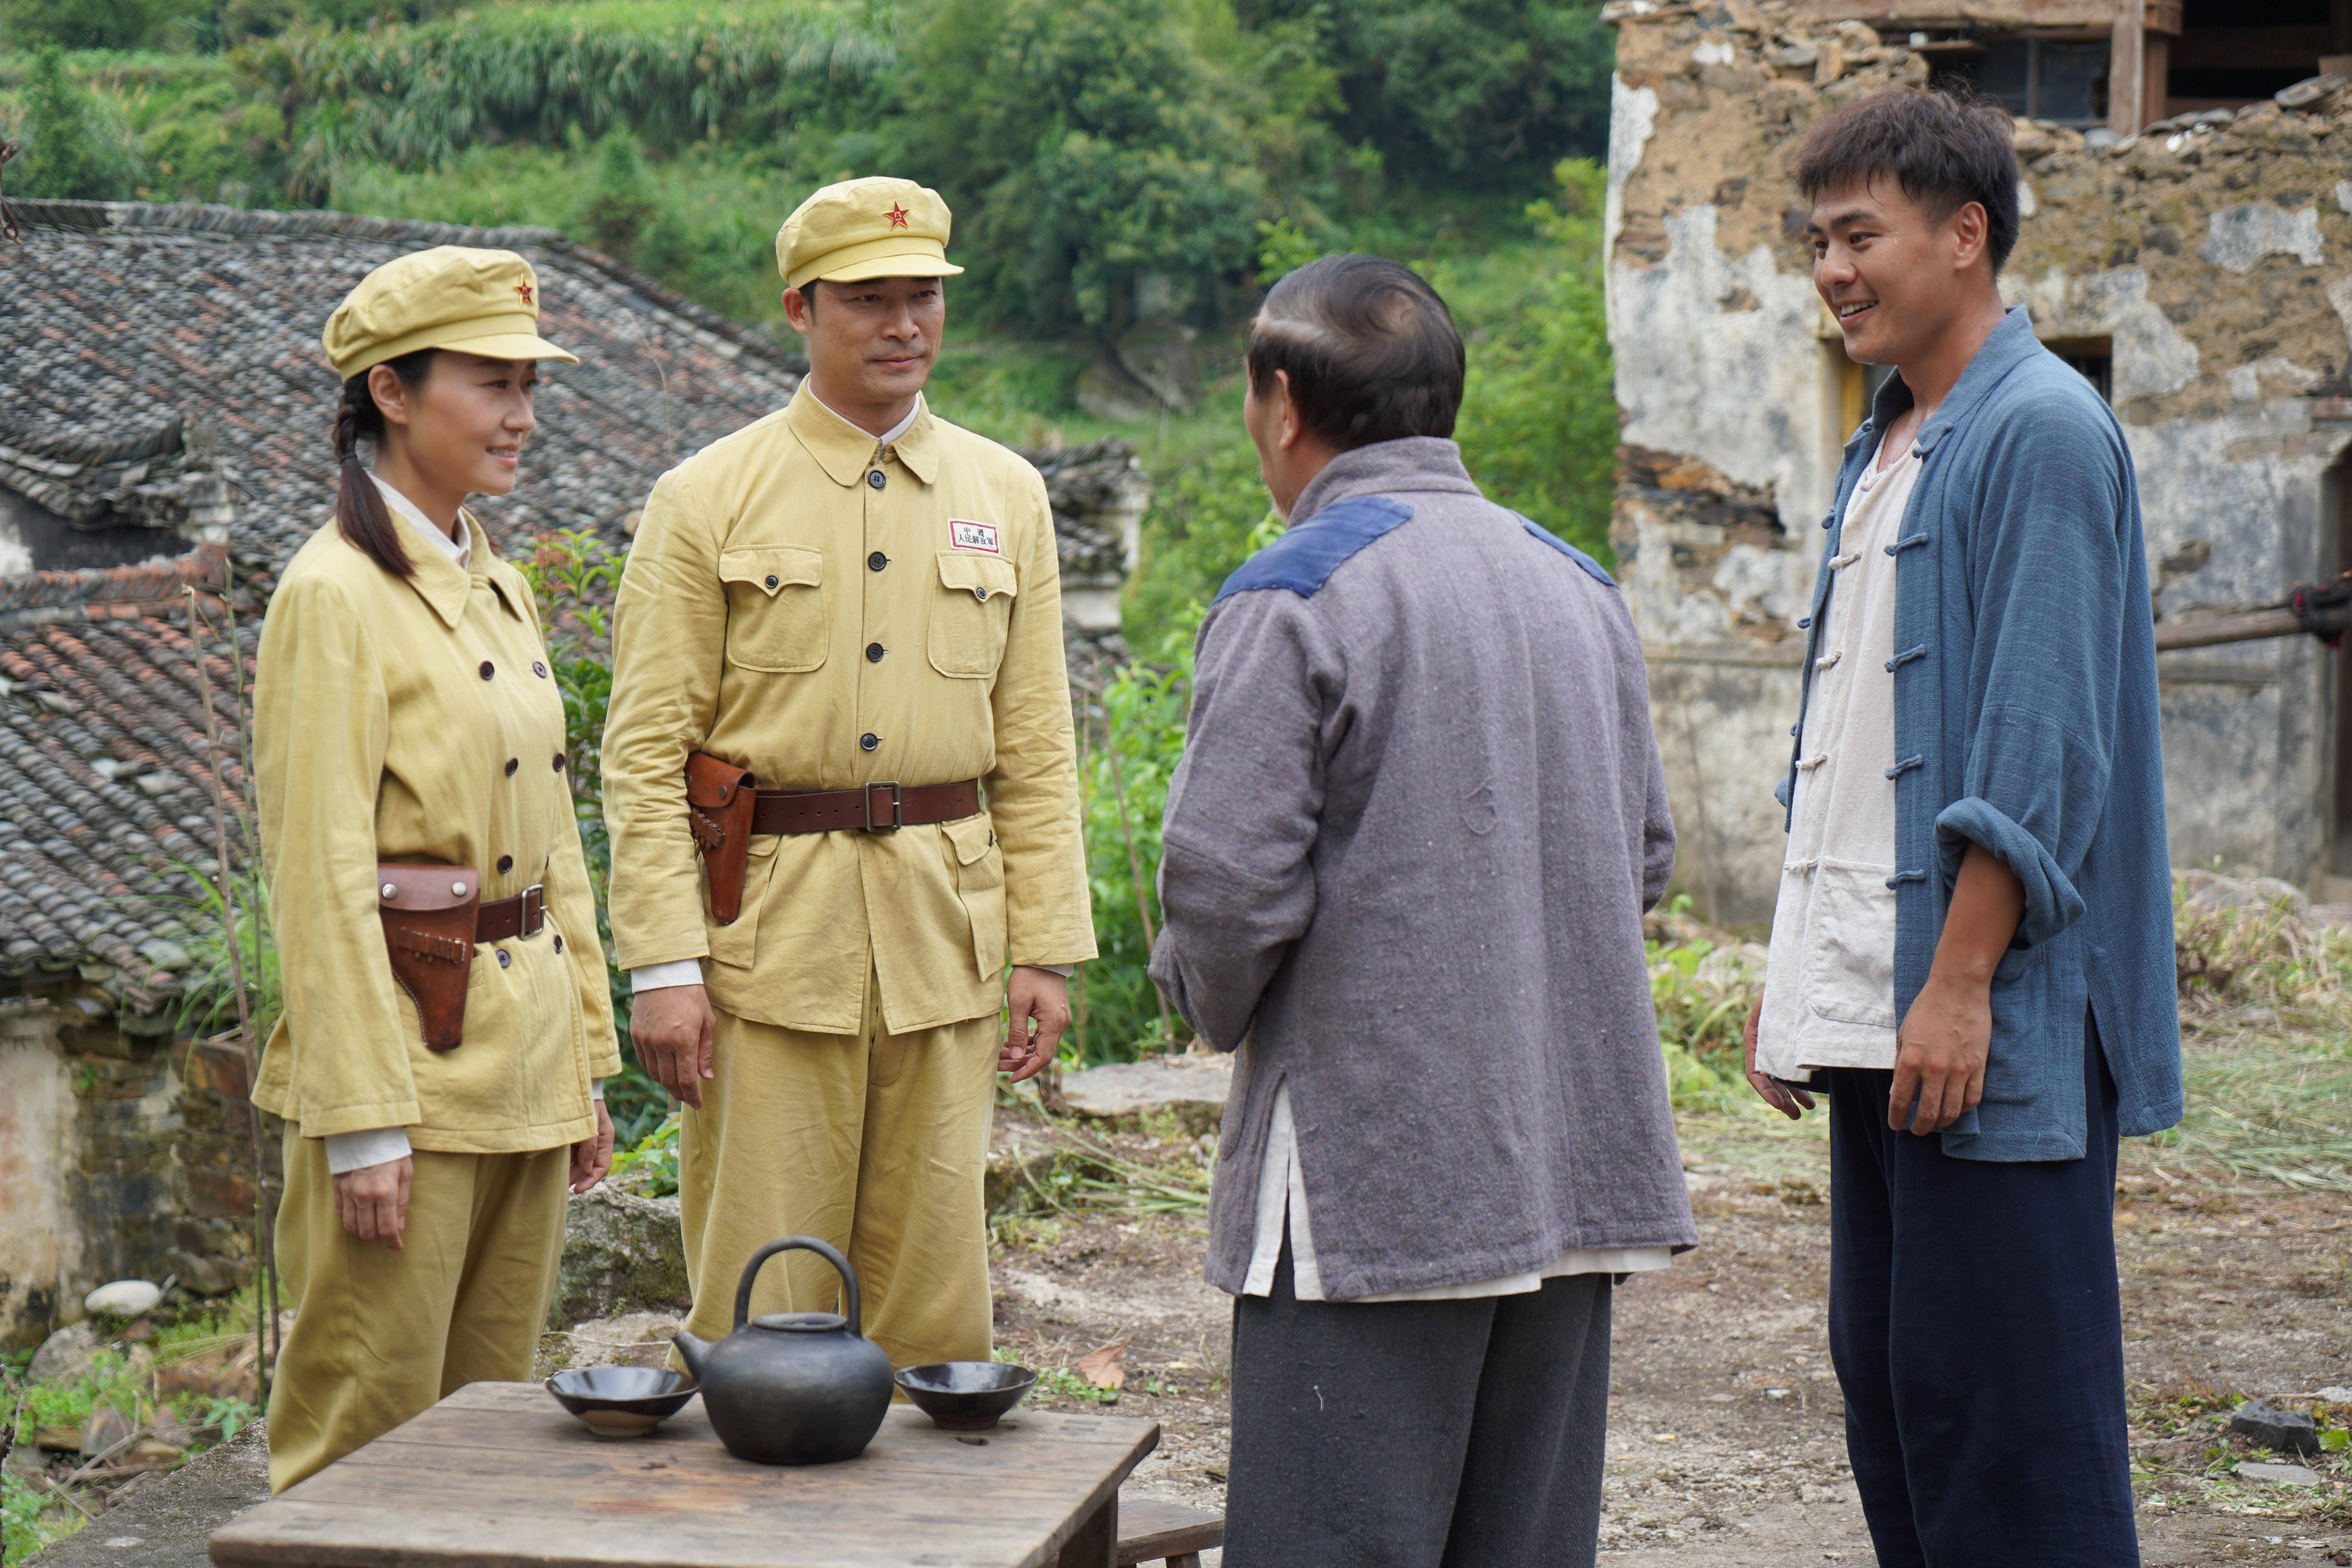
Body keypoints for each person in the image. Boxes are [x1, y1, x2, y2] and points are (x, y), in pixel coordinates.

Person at [1148, 255, 1696, 1568]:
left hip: (1372, 1185)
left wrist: (1199, 1004)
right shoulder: (1576, 586)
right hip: (1571, 1167)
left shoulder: (1296, 591)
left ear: (1281, 404)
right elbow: (1648, 862)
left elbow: (1225, 895)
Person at [1742, 89, 2181, 1566]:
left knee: (2014, 1437)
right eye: (1820, 242)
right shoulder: (1892, 443)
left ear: (1966, 233)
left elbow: (2044, 744)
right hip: (1886, 1011)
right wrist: (1800, 977)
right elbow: (1854, 751)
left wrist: (1961, 979)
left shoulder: (2040, 431)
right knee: (1908, 1406)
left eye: (1860, 236)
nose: (1833, 271)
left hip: (1986, 1019)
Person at [601, 176, 1094, 1373]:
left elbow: (1034, 740)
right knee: (763, 1288)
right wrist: (666, 969)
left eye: (923, 295)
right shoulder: (707, 497)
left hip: (946, 930)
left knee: (935, 1287)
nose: (904, 324)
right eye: (869, 299)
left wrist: (1044, 948)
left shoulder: (1005, 493)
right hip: (767, 939)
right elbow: (646, 752)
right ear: (800, 309)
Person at [253, 246, 622, 1493]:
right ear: (394, 394)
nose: (520, 414)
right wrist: (360, 1121)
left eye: (530, 384)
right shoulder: (336, 593)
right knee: (365, 1429)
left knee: (495, 1432)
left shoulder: (495, 582)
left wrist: (583, 1062)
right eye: (489, 382)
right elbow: (319, 875)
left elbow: (555, 841)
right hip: (406, 1077)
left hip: (518, 1061)